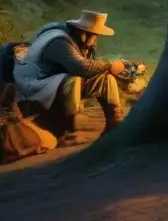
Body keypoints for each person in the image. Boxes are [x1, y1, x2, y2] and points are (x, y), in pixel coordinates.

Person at [12, 11, 125, 145]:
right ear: (83, 32)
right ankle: (71, 130)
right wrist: (109, 65)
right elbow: (80, 67)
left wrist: (108, 68)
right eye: (93, 34)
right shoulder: (59, 42)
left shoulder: (81, 44)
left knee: (105, 79)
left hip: (57, 84)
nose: (95, 38)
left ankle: (114, 121)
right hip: (36, 83)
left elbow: (90, 66)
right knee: (73, 80)